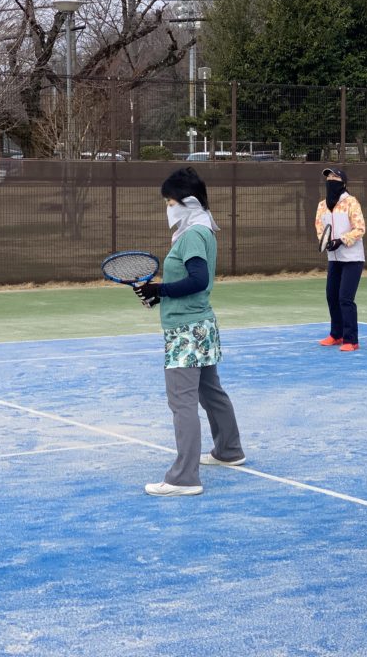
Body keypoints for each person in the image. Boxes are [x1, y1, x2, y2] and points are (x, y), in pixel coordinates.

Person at [133, 167, 246, 496]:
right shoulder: (201, 228)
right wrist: (159, 294)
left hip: (186, 330)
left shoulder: (194, 234)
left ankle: (184, 478)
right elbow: (191, 281)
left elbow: (198, 279)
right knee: (210, 392)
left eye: (170, 202)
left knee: (182, 402)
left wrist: (160, 290)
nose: (168, 208)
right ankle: (229, 450)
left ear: (188, 202)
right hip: (200, 324)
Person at [314, 167, 366, 351]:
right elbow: (320, 228)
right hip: (334, 259)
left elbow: (360, 228)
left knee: (345, 298)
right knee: (332, 296)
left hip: (352, 259)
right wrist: (326, 242)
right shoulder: (322, 205)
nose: (330, 180)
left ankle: (351, 340)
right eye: (328, 177)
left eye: (334, 177)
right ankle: (336, 335)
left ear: (343, 183)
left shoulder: (351, 202)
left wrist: (341, 240)